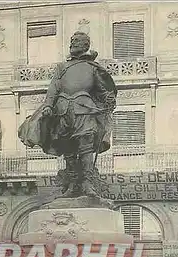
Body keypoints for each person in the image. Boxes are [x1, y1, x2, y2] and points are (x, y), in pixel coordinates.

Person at [18, 31, 117, 198]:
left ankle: (86, 184)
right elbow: (53, 88)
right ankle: (72, 185)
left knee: (85, 147)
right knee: (67, 148)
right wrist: (49, 105)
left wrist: (108, 100)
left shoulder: (93, 68)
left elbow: (103, 90)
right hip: (62, 111)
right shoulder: (62, 68)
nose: (75, 43)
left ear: (86, 45)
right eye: (73, 41)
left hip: (85, 110)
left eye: (79, 41)